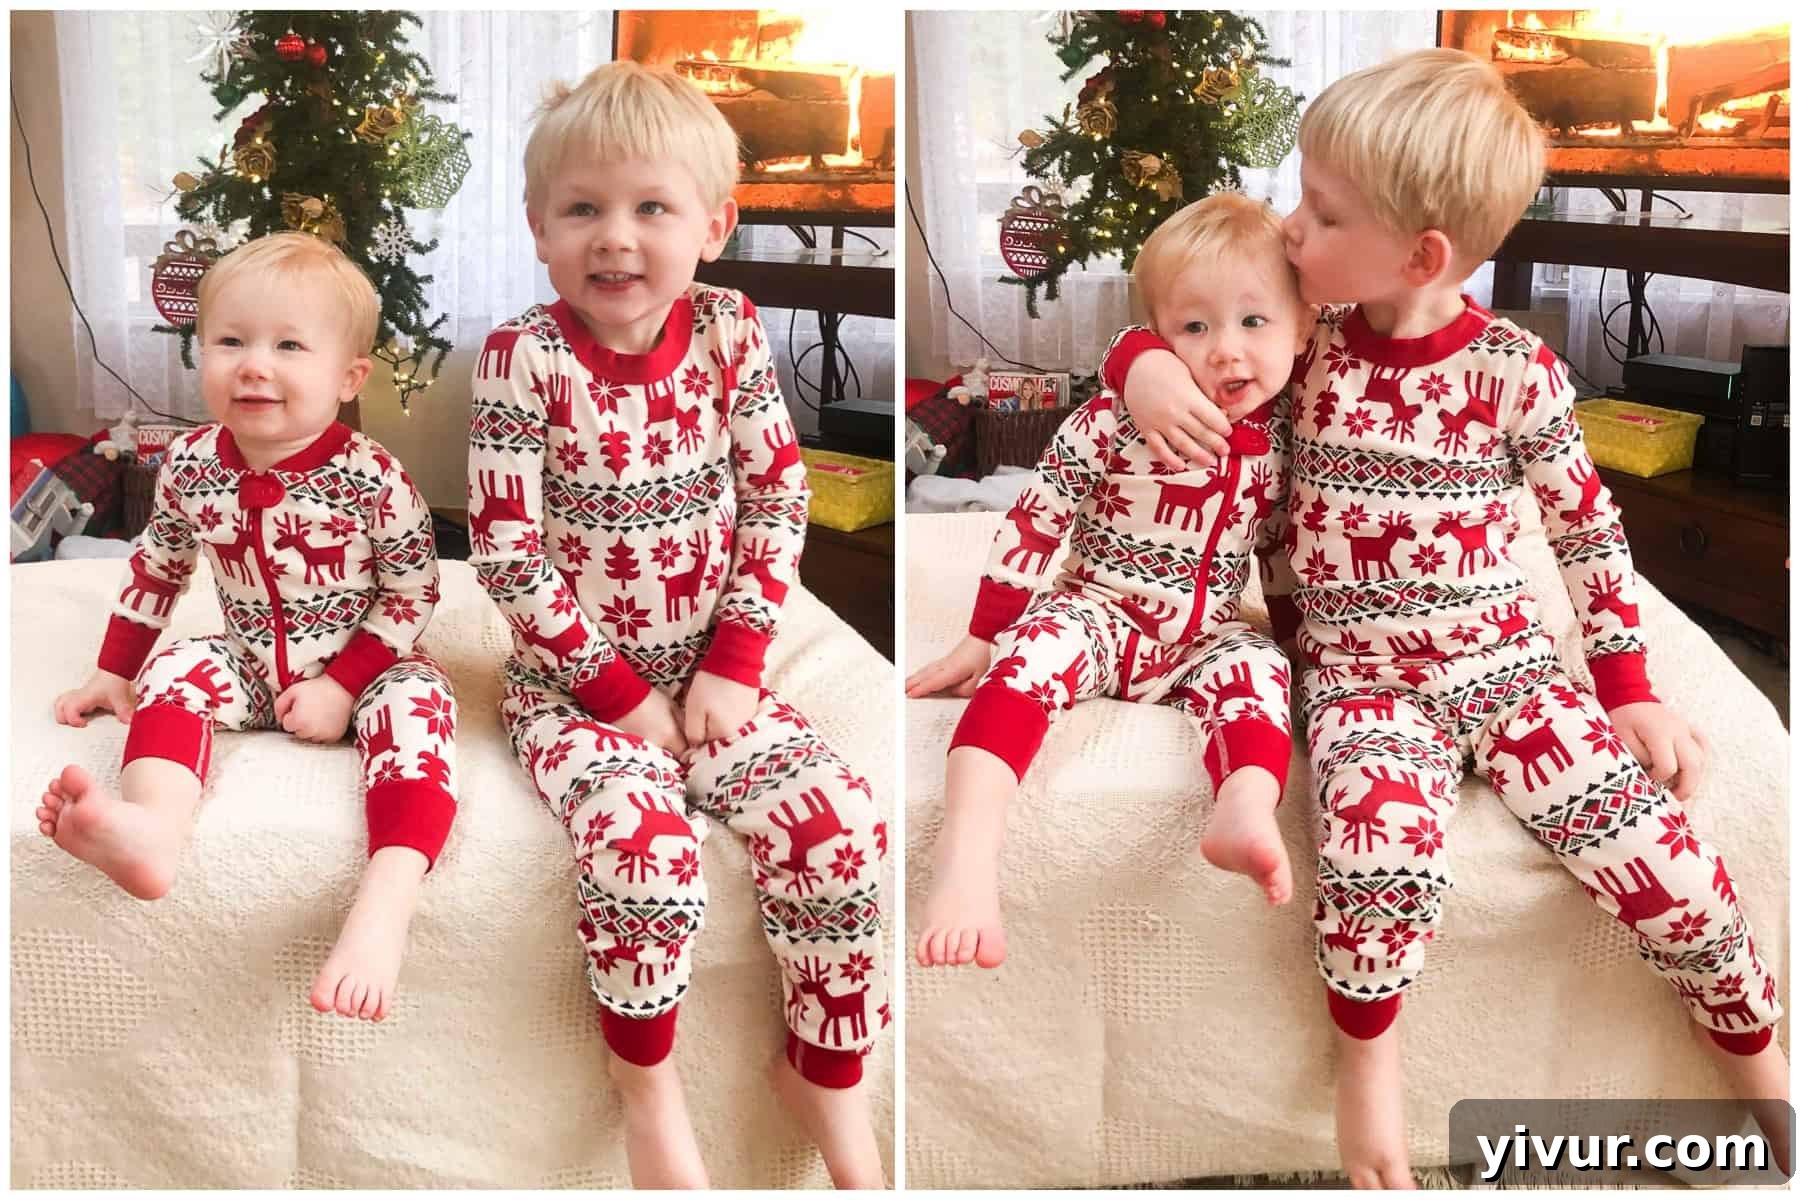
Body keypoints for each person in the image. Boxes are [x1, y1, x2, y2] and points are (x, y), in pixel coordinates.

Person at [1103, 48, 1788, 1187]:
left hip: (1511, 671)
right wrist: (1137, 362)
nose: (1287, 224)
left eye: (1321, 212)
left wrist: (1630, 689)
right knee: (1377, 865)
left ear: (1418, 254)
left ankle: (1765, 1073)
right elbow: (1184, 314)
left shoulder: (1516, 370)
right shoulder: (1299, 343)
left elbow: (1584, 531)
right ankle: (1370, 1069)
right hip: (1359, 684)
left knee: (1675, 872)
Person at [467, 62, 886, 1188]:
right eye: (584, 210)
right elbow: (505, 552)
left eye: (651, 208)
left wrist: (738, 662)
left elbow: (777, 497)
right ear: (539, 231)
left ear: (714, 224)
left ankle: (826, 1074)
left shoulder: (731, 330)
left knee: (840, 827)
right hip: (577, 693)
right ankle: (647, 1093)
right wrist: (619, 702)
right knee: (648, 857)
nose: (617, 238)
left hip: (717, 672)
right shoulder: (525, 358)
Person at [41, 231, 456, 1024]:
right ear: (200, 354)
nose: (254, 364)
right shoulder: (193, 463)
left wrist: (342, 685)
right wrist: (113, 669)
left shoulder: (372, 476)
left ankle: (384, 906)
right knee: (176, 674)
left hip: (367, 666)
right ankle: (151, 831)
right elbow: (159, 567)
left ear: (347, 377)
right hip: (249, 659)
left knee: (421, 713)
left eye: (288, 345)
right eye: (230, 341)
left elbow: (412, 592)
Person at [909, 193, 1310, 972]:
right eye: (1194, 328)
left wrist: (1295, 644)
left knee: (1257, 675)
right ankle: (965, 853)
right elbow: (1035, 517)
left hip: (1205, 634)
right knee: (1023, 670)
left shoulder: (1289, 440)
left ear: (1300, 328)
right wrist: (984, 634)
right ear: (1155, 341)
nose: (1226, 351)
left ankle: (1244, 808)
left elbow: (1284, 552)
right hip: (1098, 608)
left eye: (1254, 322)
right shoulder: (1114, 421)